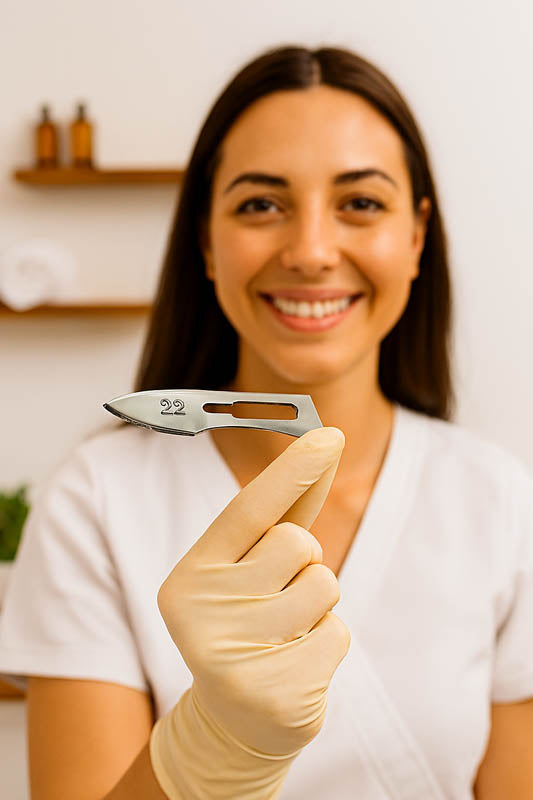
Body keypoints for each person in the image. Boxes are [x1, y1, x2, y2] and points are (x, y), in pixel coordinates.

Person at [1, 43, 532, 799]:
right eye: (259, 204)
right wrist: (210, 749)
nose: (311, 251)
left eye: (360, 202)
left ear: (415, 236)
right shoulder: (96, 499)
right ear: (206, 244)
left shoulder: (499, 501)